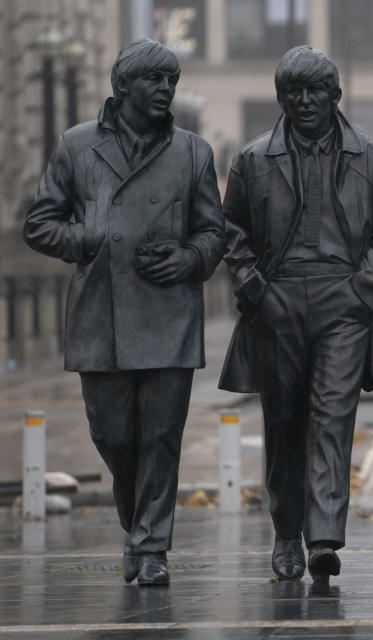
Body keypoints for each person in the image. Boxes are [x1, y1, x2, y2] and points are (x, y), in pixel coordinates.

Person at [22, 39, 225, 586]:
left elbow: (215, 232)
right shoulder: (77, 145)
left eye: (172, 81)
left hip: (169, 314)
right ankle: (139, 528)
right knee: (114, 436)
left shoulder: (192, 151)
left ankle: (152, 546)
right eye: (154, 80)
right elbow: (39, 224)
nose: (165, 90)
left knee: (161, 437)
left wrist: (188, 257)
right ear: (122, 86)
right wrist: (86, 237)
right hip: (99, 317)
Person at [219, 46, 373, 582]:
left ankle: (323, 535)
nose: (304, 101)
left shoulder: (369, 156)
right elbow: (233, 231)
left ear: (335, 95)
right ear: (280, 98)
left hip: (342, 303)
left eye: (315, 90)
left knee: (333, 415)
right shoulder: (253, 160)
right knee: (284, 421)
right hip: (276, 302)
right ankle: (286, 533)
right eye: (293, 92)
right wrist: (255, 286)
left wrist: (363, 285)